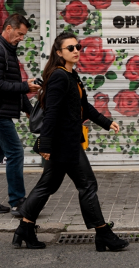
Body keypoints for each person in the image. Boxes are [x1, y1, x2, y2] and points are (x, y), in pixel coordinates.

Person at [12, 32, 129, 252]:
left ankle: (25, 228)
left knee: (48, 185)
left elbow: (84, 107)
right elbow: (52, 112)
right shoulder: (59, 76)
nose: (76, 51)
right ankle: (103, 233)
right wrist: (45, 144)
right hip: (64, 144)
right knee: (87, 185)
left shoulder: (71, 75)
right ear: (59, 53)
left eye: (78, 47)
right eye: (70, 48)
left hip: (66, 141)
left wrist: (106, 122)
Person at [0, 14, 41, 216]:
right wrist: (24, 86)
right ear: (9, 28)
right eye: (20, 33)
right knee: (15, 152)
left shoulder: (7, 50)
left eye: (24, 35)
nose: (22, 38)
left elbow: (12, 87)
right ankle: (18, 201)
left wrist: (30, 110)